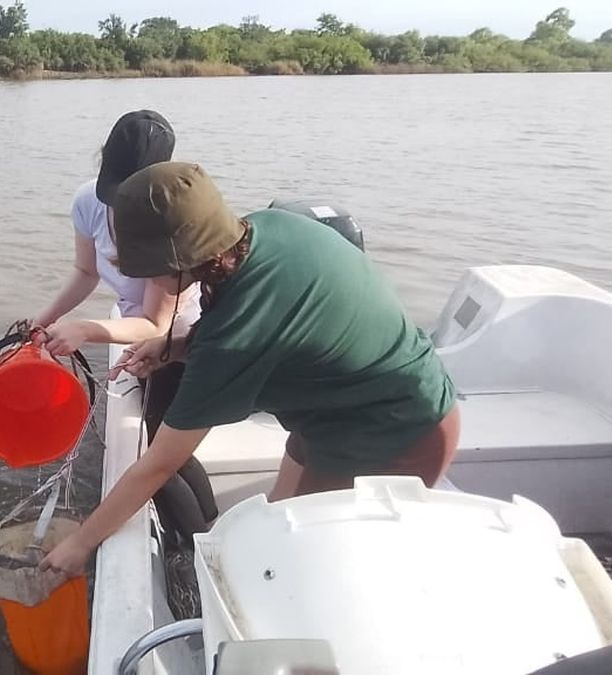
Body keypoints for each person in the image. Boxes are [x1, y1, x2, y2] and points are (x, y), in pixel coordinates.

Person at [41, 162, 461, 576]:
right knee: (277, 520)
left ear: (182, 260)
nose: (145, 279)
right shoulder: (266, 227)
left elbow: (160, 463)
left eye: (146, 267)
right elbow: (263, 319)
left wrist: (82, 542)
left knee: (299, 564)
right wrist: (176, 348)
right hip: (336, 413)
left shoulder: (234, 337)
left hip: (398, 434)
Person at [30, 110, 216, 545]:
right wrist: (43, 321)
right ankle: (202, 534)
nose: (118, 202)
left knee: (160, 456)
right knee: (163, 448)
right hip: (136, 332)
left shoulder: (166, 220)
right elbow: (84, 272)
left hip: (183, 340)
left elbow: (157, 322)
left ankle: (195, 546)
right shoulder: (87, 203)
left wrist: (86, 331)